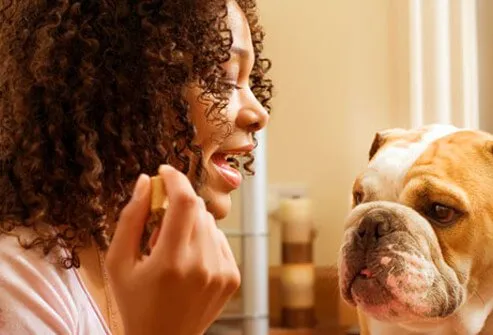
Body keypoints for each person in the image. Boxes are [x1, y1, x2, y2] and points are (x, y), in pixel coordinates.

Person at [0, 0, 272, 334]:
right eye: (224, 78)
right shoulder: (17, 282)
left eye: (249, 80)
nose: (259, 114)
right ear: (123, 84)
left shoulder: (146, 268)